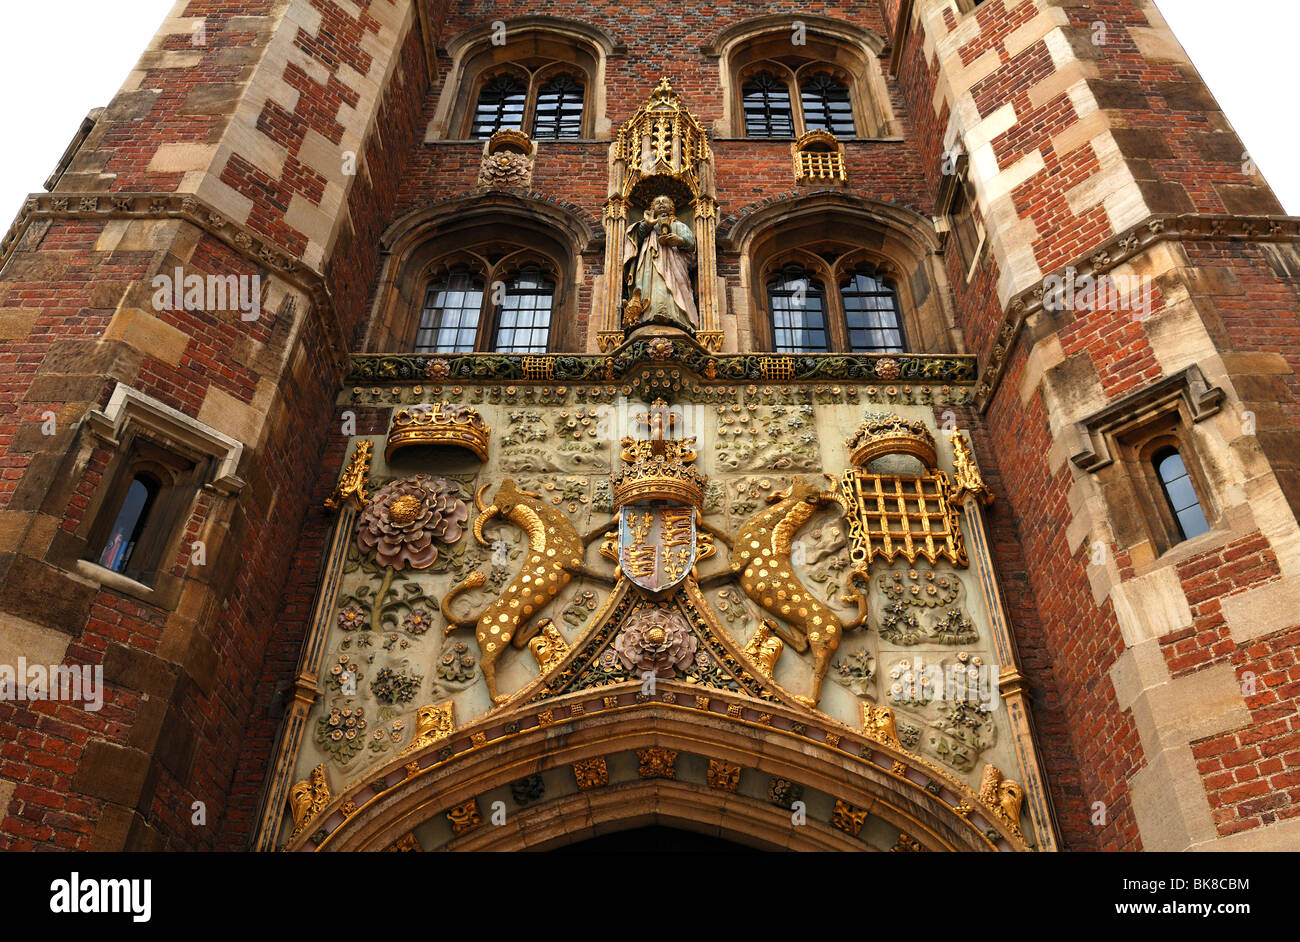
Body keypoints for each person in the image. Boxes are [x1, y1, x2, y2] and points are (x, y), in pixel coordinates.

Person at [622, 194, 698, 331]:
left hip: (674, 262)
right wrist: (647, 225)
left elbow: (691, 243)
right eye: (657, 202)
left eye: (665, 202)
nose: (661, 204)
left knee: (673, 287)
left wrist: (679, 241)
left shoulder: (678, 225)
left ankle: (676, 317)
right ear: (652, 208)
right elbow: (633, 239)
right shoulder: (647, 225)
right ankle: (648, 316)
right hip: (649, 263)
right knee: (650, 286)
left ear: (671, 208)